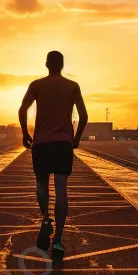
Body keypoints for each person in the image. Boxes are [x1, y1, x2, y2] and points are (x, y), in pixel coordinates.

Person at [18, 50, 87, 259]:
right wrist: (76, 138)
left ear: (47, 64)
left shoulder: (37, 85)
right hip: (63, 144)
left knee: (41, 186)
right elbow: (84, 117)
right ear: (62, 65)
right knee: (61, 191)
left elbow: (22, 109)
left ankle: (46, 219)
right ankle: (58, 241)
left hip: (42, 144)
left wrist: (25, 133)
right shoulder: (72, 86)